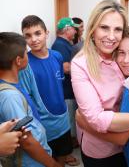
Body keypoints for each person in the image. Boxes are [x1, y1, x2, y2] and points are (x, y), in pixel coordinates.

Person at [71, 0, 129, 167]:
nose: (111, 36)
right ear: (93, 29)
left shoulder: (123, 54)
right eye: (104, 27)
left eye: (118, 29)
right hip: (102, 151)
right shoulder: (81, 64)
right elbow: (97, 119)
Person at [0, 32, 60, 167]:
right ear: (18, 60)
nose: (28, 54)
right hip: (32, 162)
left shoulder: (14, 83)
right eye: (26, 52)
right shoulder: (10, 97)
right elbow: (26, 141)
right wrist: (52, 164)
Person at [21, 15, 72, 166]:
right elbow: (26, 99)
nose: (34, 39)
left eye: (38, 33)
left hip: (62, 121)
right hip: (43, 126)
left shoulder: (57, 56)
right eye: (28, 36)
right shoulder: (25, 64)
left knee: (61, 159)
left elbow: (59, 84)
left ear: (46, 33)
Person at [52, 17, 80, 166]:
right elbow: (65, 67)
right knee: (68, 121)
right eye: (73, 28)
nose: (75, 31)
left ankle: (69, 148)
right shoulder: (60, 45)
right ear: (67, 29)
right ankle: (66, 154)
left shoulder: (65, 44)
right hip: (66, 91)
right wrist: (83, 67)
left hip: (70, 90)